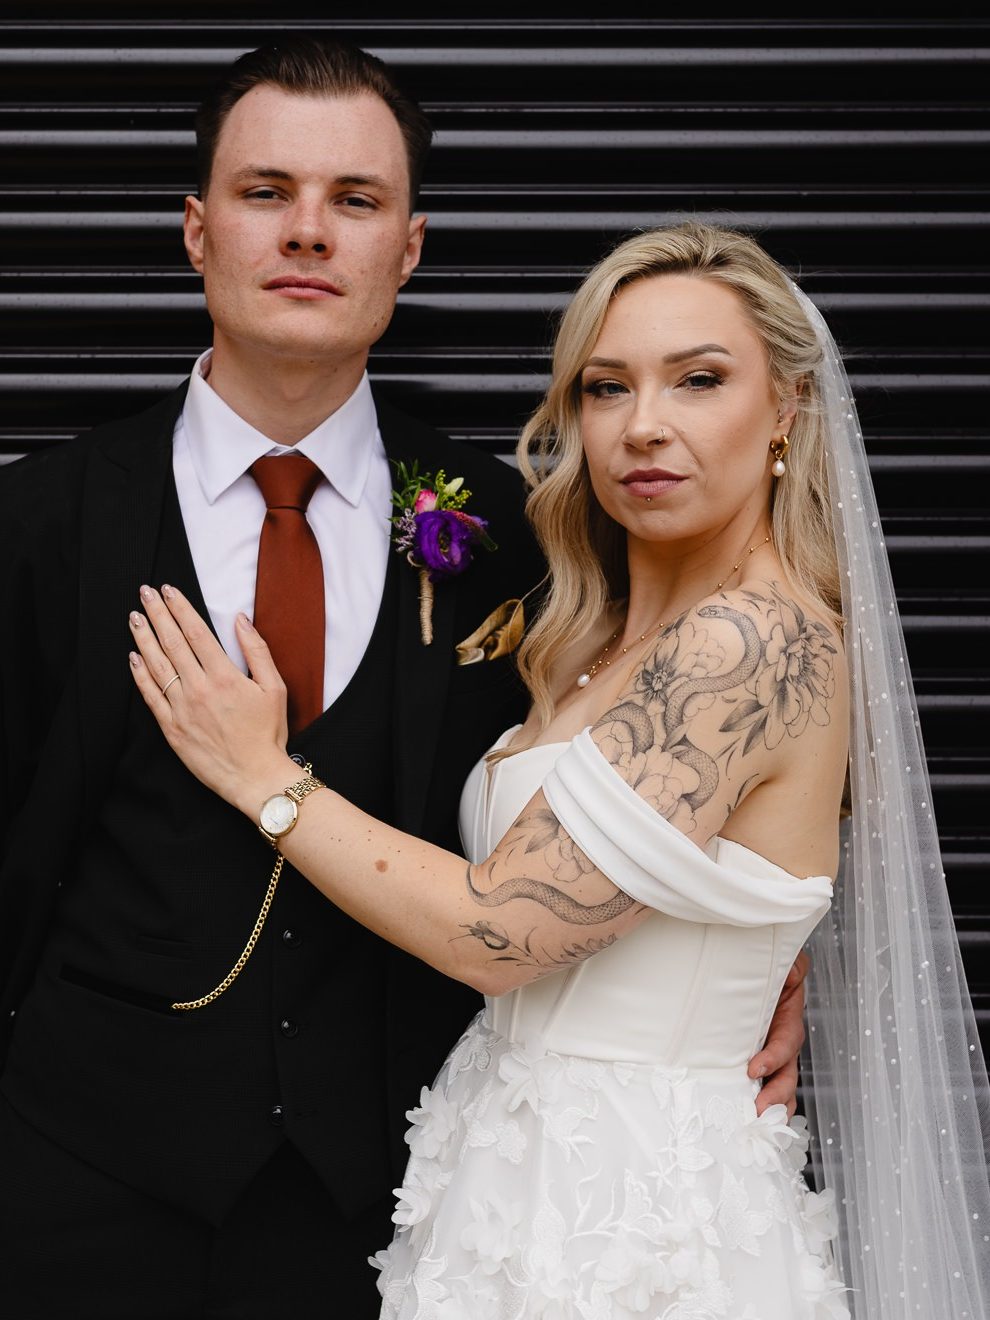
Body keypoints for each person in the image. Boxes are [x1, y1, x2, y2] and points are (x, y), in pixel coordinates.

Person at [0, 40, 806, 1320]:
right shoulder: (34, 523)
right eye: (267, 193)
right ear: (197, 232)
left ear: (410, 248)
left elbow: (700, 768)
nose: (310, 232)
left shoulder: (533, 528)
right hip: (75, 1198)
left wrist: (763, 969)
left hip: (398, 1204)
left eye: (356, 201)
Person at [128, 221, 990, 1319]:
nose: (644, 426)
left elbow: (500, 932)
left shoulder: (748, 644)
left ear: (785, 408)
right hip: (508, 1179)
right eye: (605, 387)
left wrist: (263, 775)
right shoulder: (593, 635)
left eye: (699, 381)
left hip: (638, 1222)